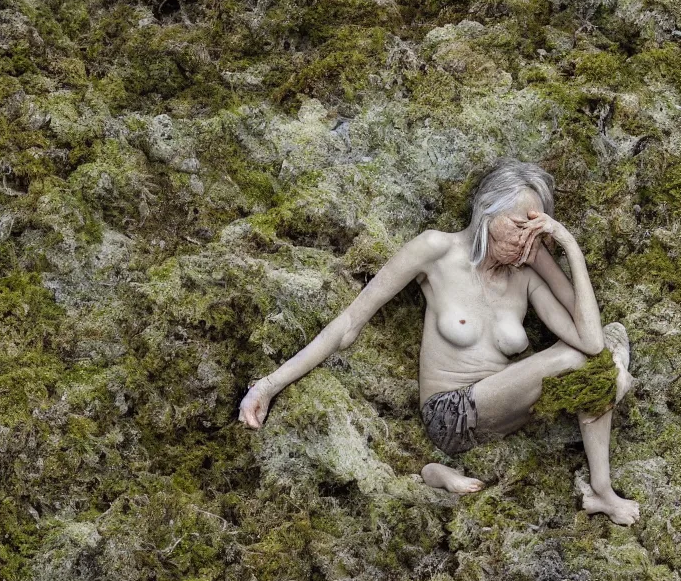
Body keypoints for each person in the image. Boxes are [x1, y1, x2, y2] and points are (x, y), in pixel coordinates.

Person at [238, 157, 639, 525]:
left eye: (536, 231)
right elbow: (347, 325)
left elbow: (590, 338)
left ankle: (598, 493)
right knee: (595, 366)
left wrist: (567, 247)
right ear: (486, 210)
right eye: (519, 226)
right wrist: (269, 386)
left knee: (608, 341)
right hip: (451, 414)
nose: (525, 240)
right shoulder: (437, 249)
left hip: (506, 416)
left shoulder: (529, 271)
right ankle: (593, 482)